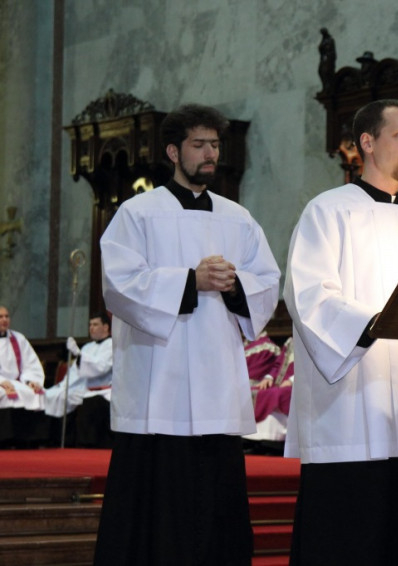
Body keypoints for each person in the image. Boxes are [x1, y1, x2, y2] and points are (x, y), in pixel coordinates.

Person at [94, 103, 281, 566]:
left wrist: (235, 284)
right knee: (156, 505)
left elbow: (267, 282)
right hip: (159, 385)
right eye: (199, 145)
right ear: (174, 152)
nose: (210, 153)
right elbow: (119, 285)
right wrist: (190, 281)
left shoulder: (238, 218)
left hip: (217, 381)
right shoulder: (137, 214)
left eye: (215, 144)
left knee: (217, 509)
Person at [283, 98, 398, 565]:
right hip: (351, 406)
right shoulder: (328, 211)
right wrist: (371, 323)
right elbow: (308, 293)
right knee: (347, 541)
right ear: (367, 143)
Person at [42, 313, 114, 448]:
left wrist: (78, 354)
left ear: (105, 327)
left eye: (95, 324)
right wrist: (63, 386)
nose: (91, 328)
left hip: (104, 390)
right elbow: (75, 372)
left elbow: (100, 368)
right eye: (90, 325)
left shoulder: (112, 345)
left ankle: (85, 444)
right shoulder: (87, 347)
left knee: (90, 403)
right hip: (84, 387)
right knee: (55, 395)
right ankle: (54, 440)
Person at [0, 305, 46, 448]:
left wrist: (30, 381)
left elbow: (30, 364)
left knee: (34, 392)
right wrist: (2, 381)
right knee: (4, 394)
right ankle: (4, 440)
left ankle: (27, 440)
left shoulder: (18, 338)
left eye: (7, 316)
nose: (4, 320)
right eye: (0, 317)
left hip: (17, 381)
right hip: (2, 383)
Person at [242, 331, 293, 453]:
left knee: (275, 394)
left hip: (298, 384)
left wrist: (292, 380)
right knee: (254, 392)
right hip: (279, 383)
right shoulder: (291, 342)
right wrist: (269, 377)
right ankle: (252, 438)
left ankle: (273, 440)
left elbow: (310, 369)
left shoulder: (312, 344)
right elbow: (278, 364)